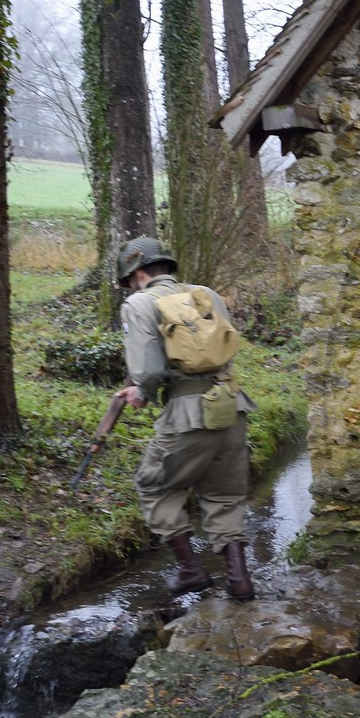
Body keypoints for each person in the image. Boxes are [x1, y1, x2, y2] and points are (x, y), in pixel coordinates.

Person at [114, 236, 258, 601]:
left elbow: (146, 371)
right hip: (231, 406)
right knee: (224, 496)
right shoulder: (207, 293)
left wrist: (140, 393)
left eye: (129, 280)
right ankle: (239, 582)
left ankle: (190, 571)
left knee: (155, 485)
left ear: (138, 273)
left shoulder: (139, 303)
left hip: (186, 414)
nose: (130, 286)